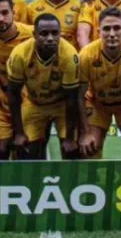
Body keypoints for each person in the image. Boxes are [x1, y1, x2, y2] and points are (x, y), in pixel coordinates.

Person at [77, 7, 121, 159]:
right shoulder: (86, 55)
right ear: (99, 31)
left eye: (116, 28)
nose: (111, 34)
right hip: (97, 102)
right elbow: (79, 96)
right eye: (106, 29)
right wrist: (84, 132)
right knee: (90, 149)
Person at [7, 14, 81, 160]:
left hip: (61, 105)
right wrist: (19, 132)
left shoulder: (69, 55)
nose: (50, 38)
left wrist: (70, 138)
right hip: (34, 103)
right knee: (27, 150)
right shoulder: (19, 54)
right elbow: (13, 94)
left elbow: (71, 99)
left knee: (71, 150)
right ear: (34, 34)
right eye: (44, 33)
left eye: (55, 33)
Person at [0, 0, 33, 160]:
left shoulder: (31, 35)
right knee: (2, 151)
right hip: (0, 106)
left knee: (27, 154)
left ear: (14, 12)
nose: (1, 18)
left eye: (5, 13)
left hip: (29, 106)